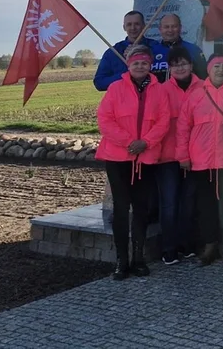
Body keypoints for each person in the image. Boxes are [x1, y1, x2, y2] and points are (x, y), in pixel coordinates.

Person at [96, 44, 169, 279]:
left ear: (150, 65)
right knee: (120, 209)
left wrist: (145, 142)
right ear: (129, 65)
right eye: (136, 63)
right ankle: (121, 260)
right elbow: (105, 120)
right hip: (118, 157)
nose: (140, 66)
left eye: (144, 63)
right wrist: (129, 141)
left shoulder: (160, 91)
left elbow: (163, 121)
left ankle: (139, 258)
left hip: (145, 157)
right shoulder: (115, 88)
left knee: (141, 209)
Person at [176, 53, 223, 266]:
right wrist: (183, 156)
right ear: (209, 69)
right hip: (202, 162)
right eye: (217, 66)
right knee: (205, 207)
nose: (221, 70)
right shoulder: (196, 94)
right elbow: (183, 127)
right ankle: (210, 246)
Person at [158, 46, 203, 265]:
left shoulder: (203, 88)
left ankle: (188, 245)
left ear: (191, 65)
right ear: (169, 68)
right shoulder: (162, 90)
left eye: (183, 63)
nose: (180, 68)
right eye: (175, 64)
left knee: (190, 202)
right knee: (169, 203)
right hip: (168, 157)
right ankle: (169, 248)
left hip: (195, 156)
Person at [93, 11, 155, 91]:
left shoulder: (155, 47)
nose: (133, 28)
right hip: (122, 100)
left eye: (137, 24)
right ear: (124, 27)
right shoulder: (113, 52)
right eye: (129, 24)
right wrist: (126, 75)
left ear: (144, 25)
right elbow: (99, 83)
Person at [152, 13, 207, 82]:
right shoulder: (152, 51)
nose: (170, 30)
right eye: (166, 27)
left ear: (180, 28)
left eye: (174, 26)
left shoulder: (193, 49)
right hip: (157, 92)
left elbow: (204, 77)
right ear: (160, 29)